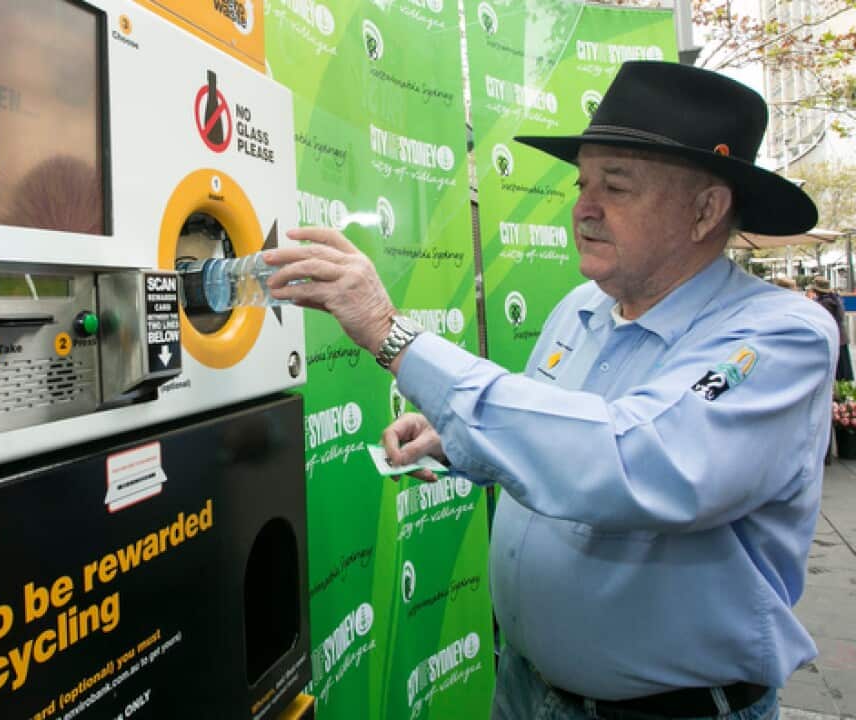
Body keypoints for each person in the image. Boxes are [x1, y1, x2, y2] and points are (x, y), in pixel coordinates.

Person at [262, 61, 836, 720]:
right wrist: (456, 446)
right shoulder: (579, 309)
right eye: (582, 183)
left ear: (705, 209)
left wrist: (397, 339)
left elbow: (629, 463)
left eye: (615, 187)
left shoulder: (778, 336)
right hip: (526, 690)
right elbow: (555, 443)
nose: (584, 208)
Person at [807, 276, 852, 381]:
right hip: (841, 338)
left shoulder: (825, 303)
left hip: (834, 339)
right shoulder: (834, 298)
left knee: (838, 370)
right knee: (843, 368)